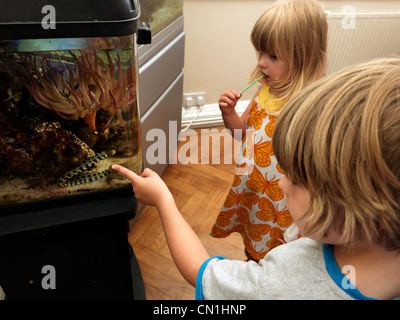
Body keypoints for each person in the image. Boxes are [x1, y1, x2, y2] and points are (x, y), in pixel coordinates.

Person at [113, 57, 400, 299]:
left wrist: (163, 200)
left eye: (298, 180)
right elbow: (243, 132)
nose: (283, 183)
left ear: (373, 211)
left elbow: (202, 272)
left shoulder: (280, 282)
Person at [210, 0, 328, 261]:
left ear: (304, 58)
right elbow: (243, 134)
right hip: (253, 193)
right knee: (254, 243)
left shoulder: (308, 105)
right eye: (260, 53)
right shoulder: (265, 90)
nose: (262, 63)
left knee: (279, 256)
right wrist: (228, 114)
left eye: (273, 56)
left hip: (282, 204)